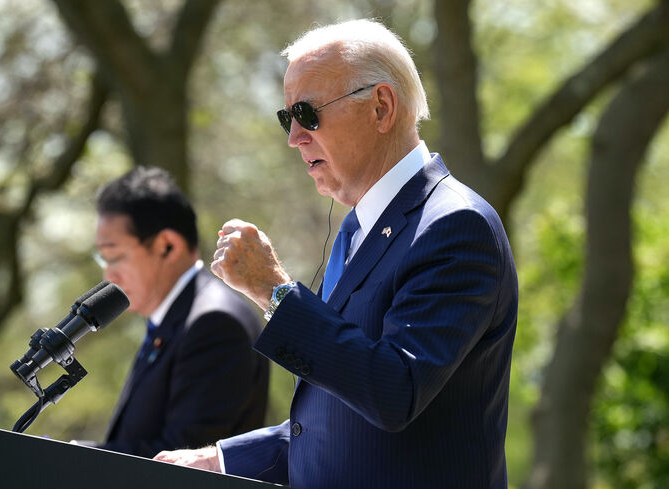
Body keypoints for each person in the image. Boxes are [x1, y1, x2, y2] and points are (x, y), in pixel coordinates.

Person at [153, 19, 518, 489]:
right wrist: (219, 459)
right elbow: (340, 419)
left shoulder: (454, 225)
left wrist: (274, 291)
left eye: (307, 112)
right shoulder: (355, 233)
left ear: (381, 107)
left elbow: (393, 390)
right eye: (288, 118)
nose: (294, 137)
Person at [93, 166, 269, 458]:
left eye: (114, 256)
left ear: (167, 246)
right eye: (103, 258)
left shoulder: (214, 322)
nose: (108, 275)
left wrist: (71, 454)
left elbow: (179, 460)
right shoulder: (176, 317)